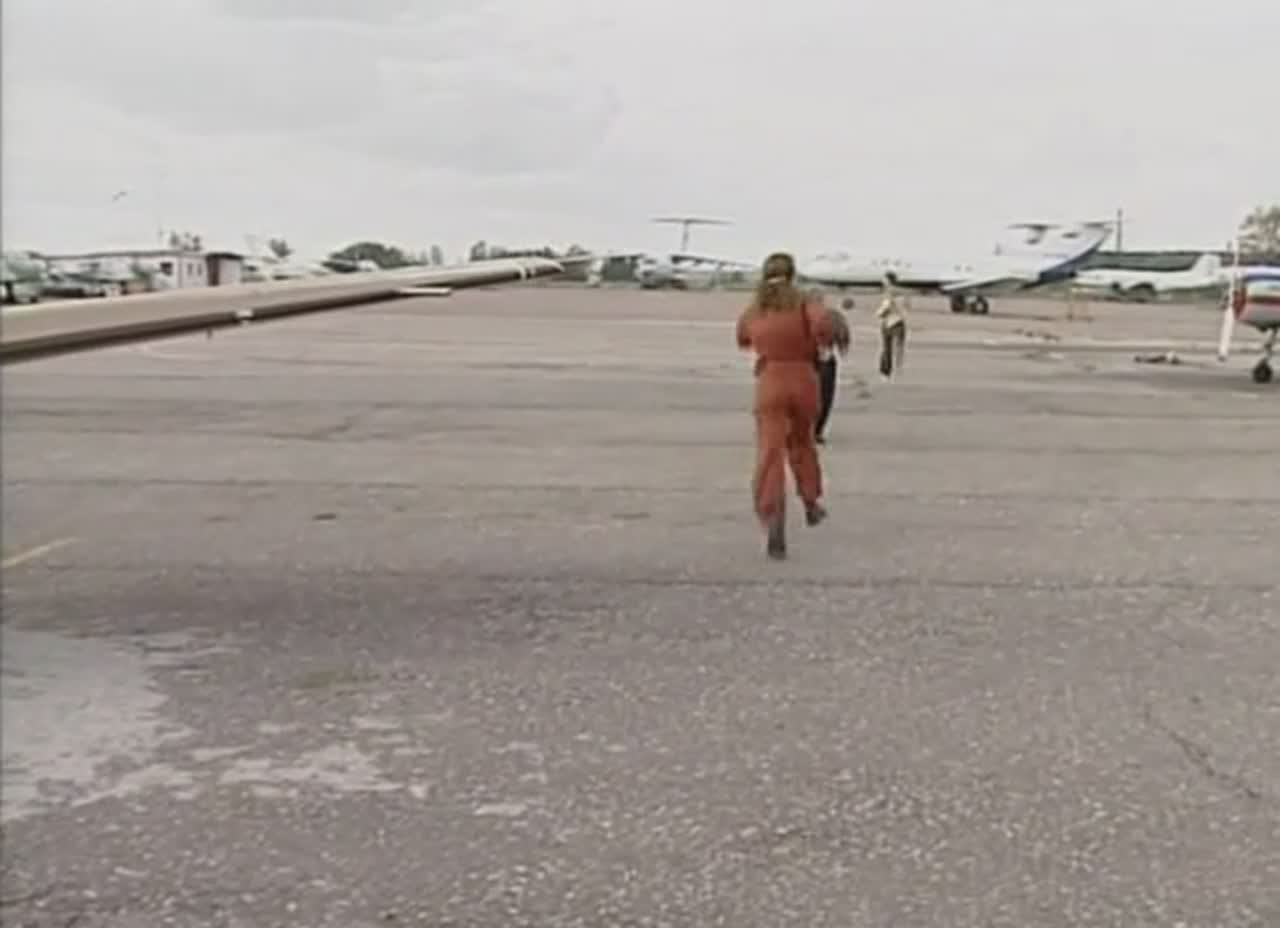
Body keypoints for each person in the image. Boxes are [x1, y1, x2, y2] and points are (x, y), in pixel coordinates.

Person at [736, 253, 836, 559]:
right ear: (793, 274)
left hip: (771, 380)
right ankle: (810, 501)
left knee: (770, 453)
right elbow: (824, 327)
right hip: (804, 379)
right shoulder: (805, 303)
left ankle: (773, 518)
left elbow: (743, 338)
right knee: (803, 443)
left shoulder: (756, 308)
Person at [812, 292, 852, 444]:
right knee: (824, 397)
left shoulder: (796, 316)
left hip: (803, 360)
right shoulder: (833, 316)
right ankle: (817, 430)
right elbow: (844, 338)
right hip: (826, 359)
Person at [876, 274, 908, 380]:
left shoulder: (889, 292)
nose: (882, 281)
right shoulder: (901, 292)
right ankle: (897, 368)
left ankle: (885, 372)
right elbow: (905, 307)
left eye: (884, 280)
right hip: (899, 321)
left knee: (887, 348)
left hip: (889, 323)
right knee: (898, 348)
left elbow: (887, 305)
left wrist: (879, 313)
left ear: (888, 281)